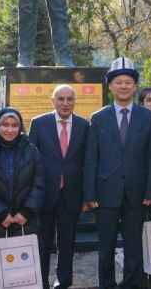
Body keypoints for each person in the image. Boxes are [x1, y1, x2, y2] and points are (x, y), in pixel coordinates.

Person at [84, 57, 151, 289]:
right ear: (110, 86)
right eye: (119, 82)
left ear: (135, 86)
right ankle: (106, 284)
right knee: (105, 246)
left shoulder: (149, 118)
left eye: (128, 82)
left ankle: (131, 284)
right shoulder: (98, 118)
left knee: (134, 246)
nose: (124, 86)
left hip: (137, 193)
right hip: (105, 192)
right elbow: (91, 159)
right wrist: (90, 194)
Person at [0, 108, 45, 289]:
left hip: (24, 223)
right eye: (5, 125)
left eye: (14, 125)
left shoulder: (31, 150)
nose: (9, 129)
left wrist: (26, 211)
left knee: (22, 277)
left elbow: (39, 183)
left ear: (20, 127)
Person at [28, 85, 90, 289]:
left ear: (74, 102)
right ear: (53, 101)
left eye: (69, 99)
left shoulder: (84, 125)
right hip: (44, 194)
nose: (65, 103)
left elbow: (87, 162)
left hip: (72, 195)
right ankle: (41, 281)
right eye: (61, 99)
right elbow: (31, 161)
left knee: (67, 242)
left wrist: (87, 196)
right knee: (42, 242)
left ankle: (63, 281)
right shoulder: (39, 123)